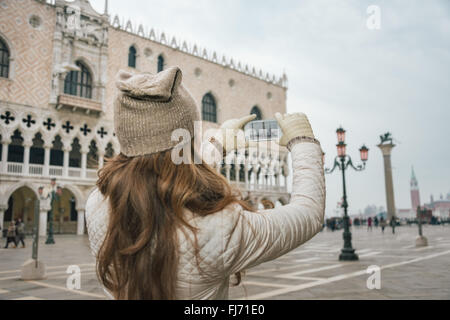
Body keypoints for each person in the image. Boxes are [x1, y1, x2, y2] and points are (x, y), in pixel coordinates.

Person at [85, 66, 325, 300]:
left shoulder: (97, 204)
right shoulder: (221, 228)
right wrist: (303, 141)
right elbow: (308, 213)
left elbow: (163, 165)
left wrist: (219, 145)